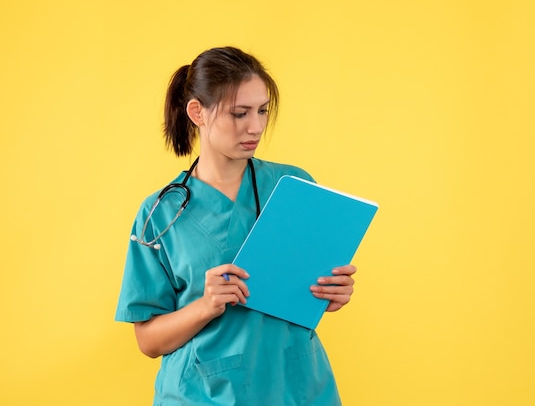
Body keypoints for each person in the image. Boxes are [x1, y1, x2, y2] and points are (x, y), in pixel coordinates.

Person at [115, 46, 357, 405]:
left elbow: (305, 288)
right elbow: (148, 341)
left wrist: (332, 291)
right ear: (197, 112)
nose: (256, 126)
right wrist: (206, 304)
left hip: (295, 386)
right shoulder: (161, 213)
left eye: (262, 111)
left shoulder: (293, 186)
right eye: (239, 113)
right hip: (203, 393)